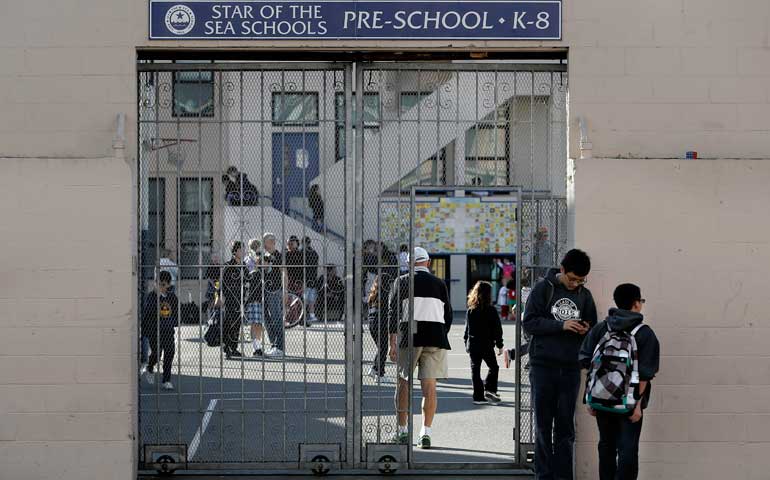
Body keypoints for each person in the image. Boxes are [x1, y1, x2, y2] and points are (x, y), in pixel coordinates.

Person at [522, 248, 597, 480]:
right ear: (562, 270)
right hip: (543, 366)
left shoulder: (585, 295)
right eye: (572, 278)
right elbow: (529, 323)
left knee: (565, 429)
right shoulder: (544, 289)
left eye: (580, 280)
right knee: (543, 427)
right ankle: (543, 475)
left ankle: (564, 476)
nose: (575, 284)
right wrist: (561, 326)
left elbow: (593, 327)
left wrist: (586, 329)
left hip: (570, 369)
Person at [579, 284, 660, 480]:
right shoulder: (644, 333)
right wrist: (637, 405)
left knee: (606, 446)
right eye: (641, 301)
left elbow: (586, 362)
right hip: (629, 405)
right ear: (636, 304)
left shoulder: (601, 328)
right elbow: (646, 375)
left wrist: (591, 398)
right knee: (628, 450)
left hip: (602, 401)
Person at [388, 247, 453, 449]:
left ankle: (402, 431)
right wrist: (442, 332)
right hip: (435, 337)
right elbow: (448, 315)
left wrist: (392, 342)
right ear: (428, 262)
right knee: (430, 387)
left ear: (409, 263)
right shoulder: (440, 283)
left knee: (403, 383)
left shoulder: (403, 281)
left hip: (411, 336)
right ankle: (426, 432)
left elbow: (393, 312)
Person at [463, 281, 504, 405]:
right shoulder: (491, 310)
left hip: (473, 344)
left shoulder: (471, 310)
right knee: (494, 367)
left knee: (475, 370)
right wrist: (499, 345)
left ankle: (478, 396)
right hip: (486, 344)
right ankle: (490, 389)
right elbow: (497, 329)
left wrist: (466, 343)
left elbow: (467, 329)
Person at [141, 270, 178, 390]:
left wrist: (173, 323)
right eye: (158, 283)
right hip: (155, 331)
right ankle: (150, 367)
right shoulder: (152, 296)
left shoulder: (172, 297)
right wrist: (157, 297)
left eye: (163, 284)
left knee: (170, 353)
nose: (160, 286)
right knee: (157, 354)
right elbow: (149, 311)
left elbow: (176, 312)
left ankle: (166, 380)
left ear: (168, 285)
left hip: (167, 330)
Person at [220, 241, 246, 359]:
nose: (243, 252)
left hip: (240, 299)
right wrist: (222, 297)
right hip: (230, 299)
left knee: (237, 324)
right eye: (241, 249)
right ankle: (226, 348)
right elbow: (222, 283)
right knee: (228, 323)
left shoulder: (243, 265)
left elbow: (247, 279)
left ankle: (234, 347)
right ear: (235, 251)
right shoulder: (228, 265)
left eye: (244, 249)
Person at [262, 232, 285, 356]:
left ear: (271, 242)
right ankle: (273, 345)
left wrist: (285, 291)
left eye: (265, 242)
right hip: (265, 290)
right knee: (266, 318)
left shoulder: (278, 255)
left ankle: (280, 347)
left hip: (275, 290)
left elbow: (284, 272)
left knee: (276, 317)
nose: (264, 245)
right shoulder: (264, 256)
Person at [366, 275, 394, 379]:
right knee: (383, 348)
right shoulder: (384, 292)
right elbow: (388, 309)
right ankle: (378, 372)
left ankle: (376, 369)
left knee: (381, 348)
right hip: (379, 321)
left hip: (372, 322)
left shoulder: (374, 293)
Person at [245, 238, 265, 356]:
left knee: (259, 323)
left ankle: (258, 345)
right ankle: (256, 347)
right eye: (254, 246)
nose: (256, 248)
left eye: (257, 246)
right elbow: (250, 274)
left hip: (261, 294)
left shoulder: (262, 257)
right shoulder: (248, 259)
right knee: (255, 322)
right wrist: (256, 264)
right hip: (253, 295)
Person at [302, 237, 320, 324]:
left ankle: (304, 315)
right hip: (313, 278)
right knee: (311, 299)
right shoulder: (314, 252)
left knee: (305, 298)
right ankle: (312, 315)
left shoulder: (303, 252)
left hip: (305, 278)